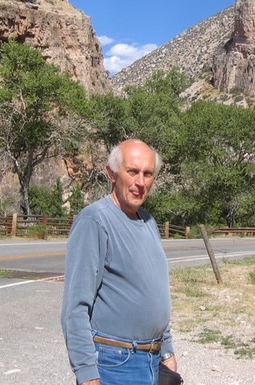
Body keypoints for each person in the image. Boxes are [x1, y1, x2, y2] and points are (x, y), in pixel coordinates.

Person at [61, 139, 178, 385]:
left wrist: (166, 349)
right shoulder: (95, 221)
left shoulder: (148, 222)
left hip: (153, 360)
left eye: (148, 174)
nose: (140, 182)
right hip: (115, 363)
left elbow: (153, 290)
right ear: (112, 174)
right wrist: (87, 373)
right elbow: (76, 306)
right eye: (132, 171)